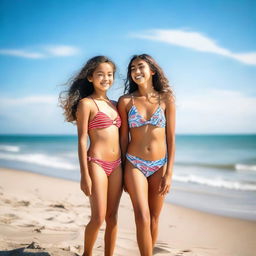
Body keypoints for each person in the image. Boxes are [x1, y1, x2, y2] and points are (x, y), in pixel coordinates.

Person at [59, 56, 122, 256]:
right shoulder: (86, 104)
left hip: (118, 165)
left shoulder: (115, 104)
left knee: (113, 217)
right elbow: (81, 141)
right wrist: (84, 175)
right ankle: (87, 253)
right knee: (98, 217)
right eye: (100, 74)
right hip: (96, 164)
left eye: (110, 74)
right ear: (90, 77)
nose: (106, 78)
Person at [118, 54, 175, 256]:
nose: (136, 71)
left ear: (152, 71)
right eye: (132, 68)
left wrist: (169, 172)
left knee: (153, 218)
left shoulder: (166, 98)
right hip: (134, 164)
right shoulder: (126, 101)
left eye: (140, 67)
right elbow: (123, 139)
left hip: (160, 165)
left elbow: (171, 139)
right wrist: (123, 170)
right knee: (141, 216)